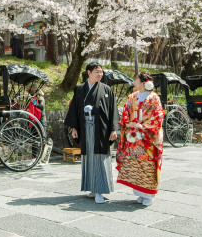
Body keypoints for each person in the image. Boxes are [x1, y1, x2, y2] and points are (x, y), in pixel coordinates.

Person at [64, 63, 120, 204]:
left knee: (99, 158)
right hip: (85, 128)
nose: (100, 74)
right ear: (89, 72)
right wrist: (75, 128)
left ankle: (100, 190)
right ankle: (92, 188)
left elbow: (113, 111)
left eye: (101, 72)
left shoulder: (107, 90)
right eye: (97, 72)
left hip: (101, 129)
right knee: (88, 158)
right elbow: (75, 109)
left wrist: (114, 129)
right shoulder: (80, 89)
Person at [116, 71, 165, 206]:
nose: (134, 82)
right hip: (134, 137)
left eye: (136, 80)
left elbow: (158, 115)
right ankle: (139, 192)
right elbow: (126, 112)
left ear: (144, 82)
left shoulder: (154, 97)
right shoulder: (131, 97)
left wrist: (144, 126)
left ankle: (148, 194)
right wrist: (128, 123)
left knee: (148, 164)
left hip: (148, 137)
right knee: (136, 163)